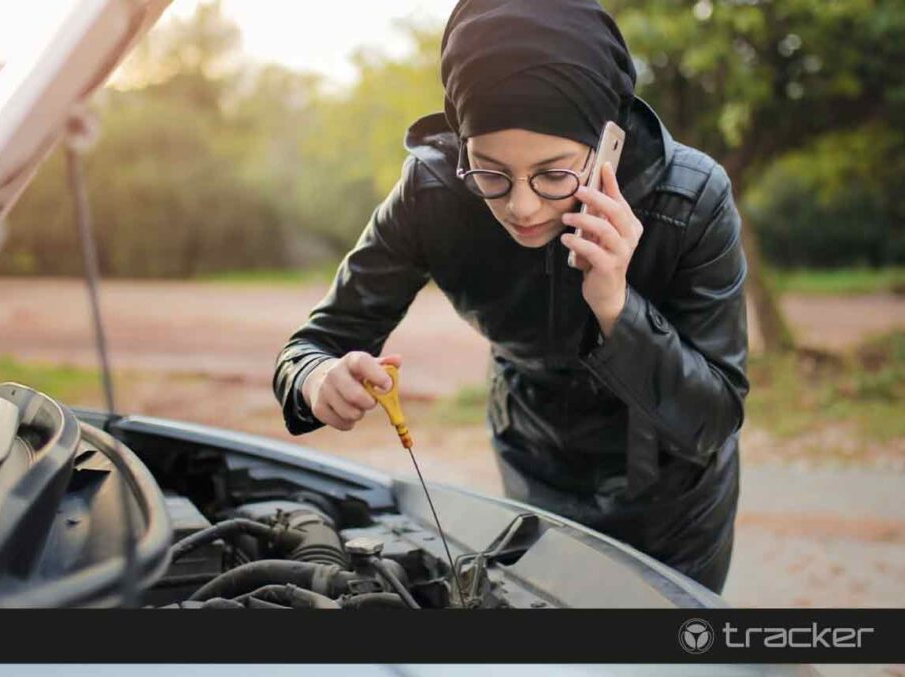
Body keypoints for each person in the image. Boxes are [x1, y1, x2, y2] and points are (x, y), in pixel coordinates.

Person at [272, 0, 748, 594]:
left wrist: (618, 308)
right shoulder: (433, 191)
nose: (522, 207)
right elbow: (311, 347)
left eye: (554, 174)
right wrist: (318, 380)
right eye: (490, 172)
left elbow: (715, 417)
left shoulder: (690, 201)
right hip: (532, 467)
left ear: (608, 143)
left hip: (675, 499)